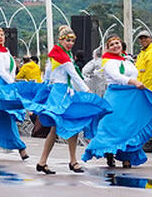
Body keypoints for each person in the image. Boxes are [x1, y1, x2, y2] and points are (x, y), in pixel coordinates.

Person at [83, 35, 152, 169]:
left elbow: (136, 73)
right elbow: (117, 76)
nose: (115, 46)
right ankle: (110, 153)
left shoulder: (127, 61)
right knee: (113, 127)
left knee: (129, 128)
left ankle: (127, 158)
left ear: (121, 45)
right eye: (111, 45)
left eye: (117, 43)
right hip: (116, 96)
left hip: (130, 97)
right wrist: (134, 82)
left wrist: (137, 83)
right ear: (107, 48)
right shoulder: (108, 62)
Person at [34, 25, 110, 175]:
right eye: (67, 40)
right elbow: (74, 75)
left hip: (61, 92)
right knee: (62, 126)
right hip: (62, 94)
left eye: (72, 41)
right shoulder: (63, 56)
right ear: (61, 40)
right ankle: (65, 161)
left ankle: (53, 161)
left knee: (65, 127)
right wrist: (87, 92)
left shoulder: (56, 54)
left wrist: (47, 88)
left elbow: (48, 74)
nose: (70, 43)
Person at [0, 27, 42, 160]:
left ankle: (19, 147)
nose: (1, 38)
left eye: (2, 35)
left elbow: (10, 70)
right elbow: (2, 72)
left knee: (7, 117)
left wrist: (13, 84)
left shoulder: (5, 51)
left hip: (4, 86)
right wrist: (14, 85)